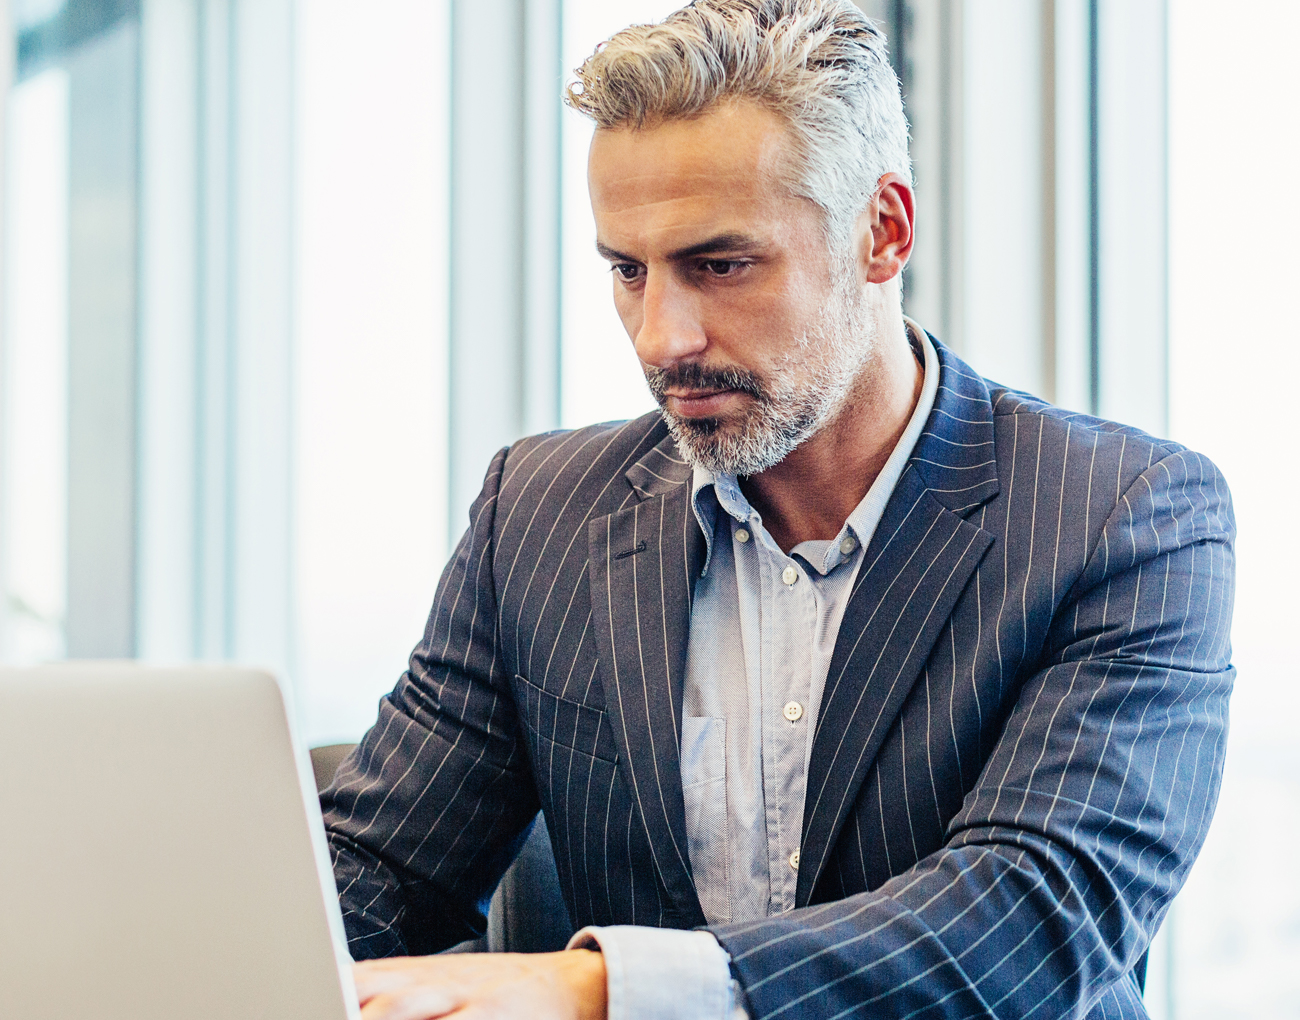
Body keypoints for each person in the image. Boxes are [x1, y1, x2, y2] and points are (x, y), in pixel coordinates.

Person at [322, 2, 1235, 1018]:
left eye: (719, 266)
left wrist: (604, 989)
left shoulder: (1122, 517)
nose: (661, 338)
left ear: (882, 231)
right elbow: (381, 870)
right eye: (628, 271)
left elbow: (1035, 919)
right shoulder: (539, 515)